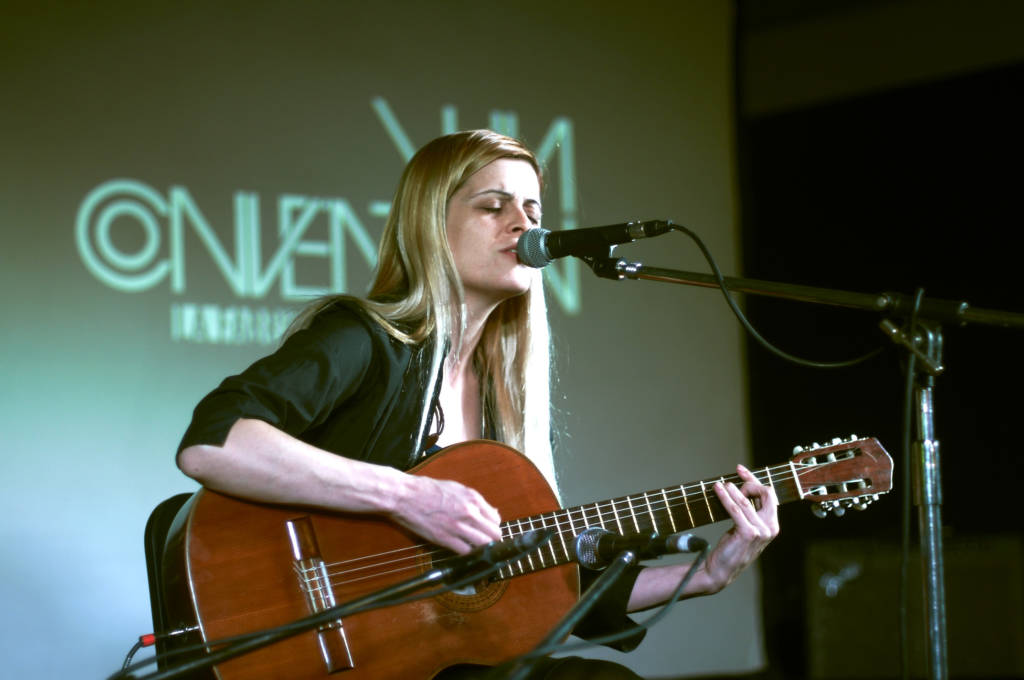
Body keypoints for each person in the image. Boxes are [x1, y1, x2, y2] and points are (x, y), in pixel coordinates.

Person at [176, 129, 779, 679]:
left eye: (533, 211)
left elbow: (551, 584)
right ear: (431, 225)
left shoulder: (505, 401)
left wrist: (707, 574)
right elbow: (212, 443)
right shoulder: (364, 339)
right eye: (494, 207)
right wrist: (408, 496)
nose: (523, 225)